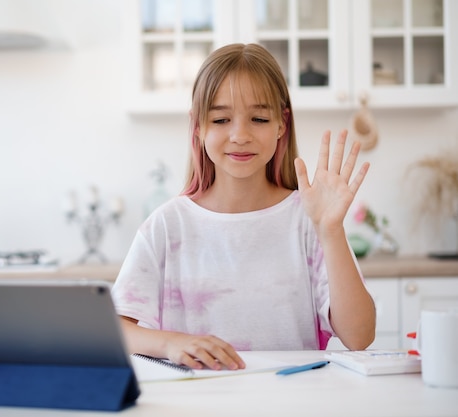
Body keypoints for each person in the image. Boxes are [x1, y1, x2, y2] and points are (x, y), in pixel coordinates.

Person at [111, 43, 376, 371]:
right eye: (221, 119)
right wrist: (171, 342)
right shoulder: (167, 225)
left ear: (281, 124)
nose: (240, 135)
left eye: (259, 118)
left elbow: (359, 337)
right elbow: (114, 331)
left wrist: (331, 231)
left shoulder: (308, 220)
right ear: (198, 127)